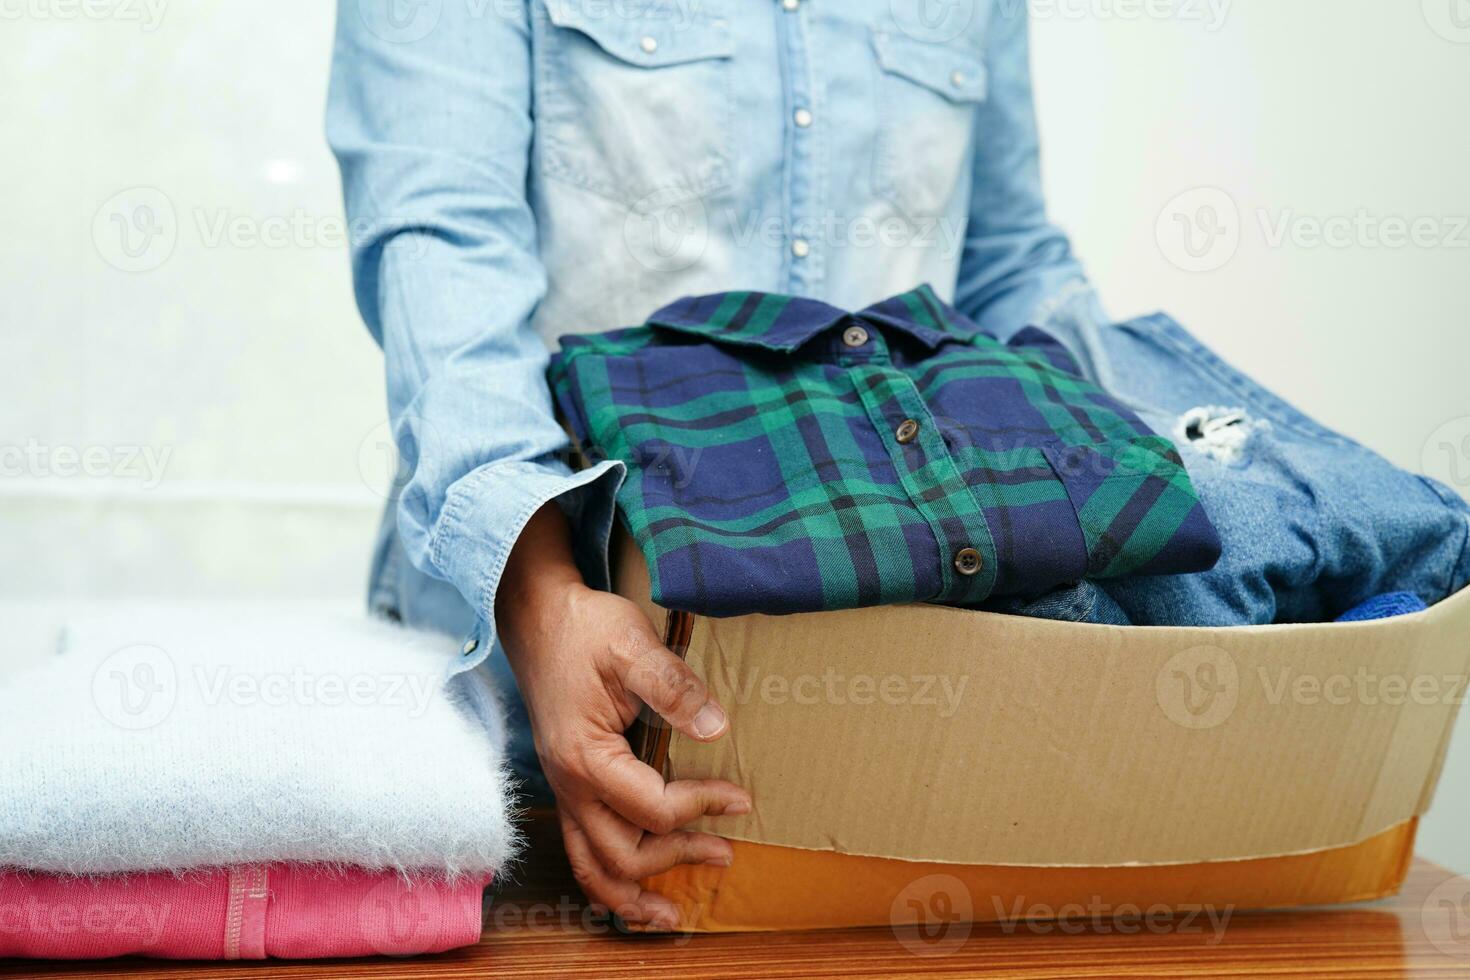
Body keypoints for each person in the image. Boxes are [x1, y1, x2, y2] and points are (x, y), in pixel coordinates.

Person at [327, 0, 1104, 929]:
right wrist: (541, 603)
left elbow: (1007, 265)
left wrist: (1150, 474)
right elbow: (441, 238)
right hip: (546, 674)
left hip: (901, 686)